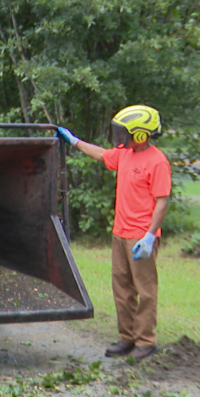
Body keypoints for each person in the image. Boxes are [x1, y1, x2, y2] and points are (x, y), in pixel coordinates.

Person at [58, 105, 171, 362]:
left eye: (125, 133)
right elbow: (101, 154)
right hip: (120, 233)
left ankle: (146, 341)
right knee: (122, 288)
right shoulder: (126, 155)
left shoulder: (157, 161)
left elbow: (162, 201)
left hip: (141, 237)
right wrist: (74, 141)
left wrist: (150, 236)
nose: (120, 138)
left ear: (141, 134)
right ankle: (127, 338)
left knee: (145, 289)